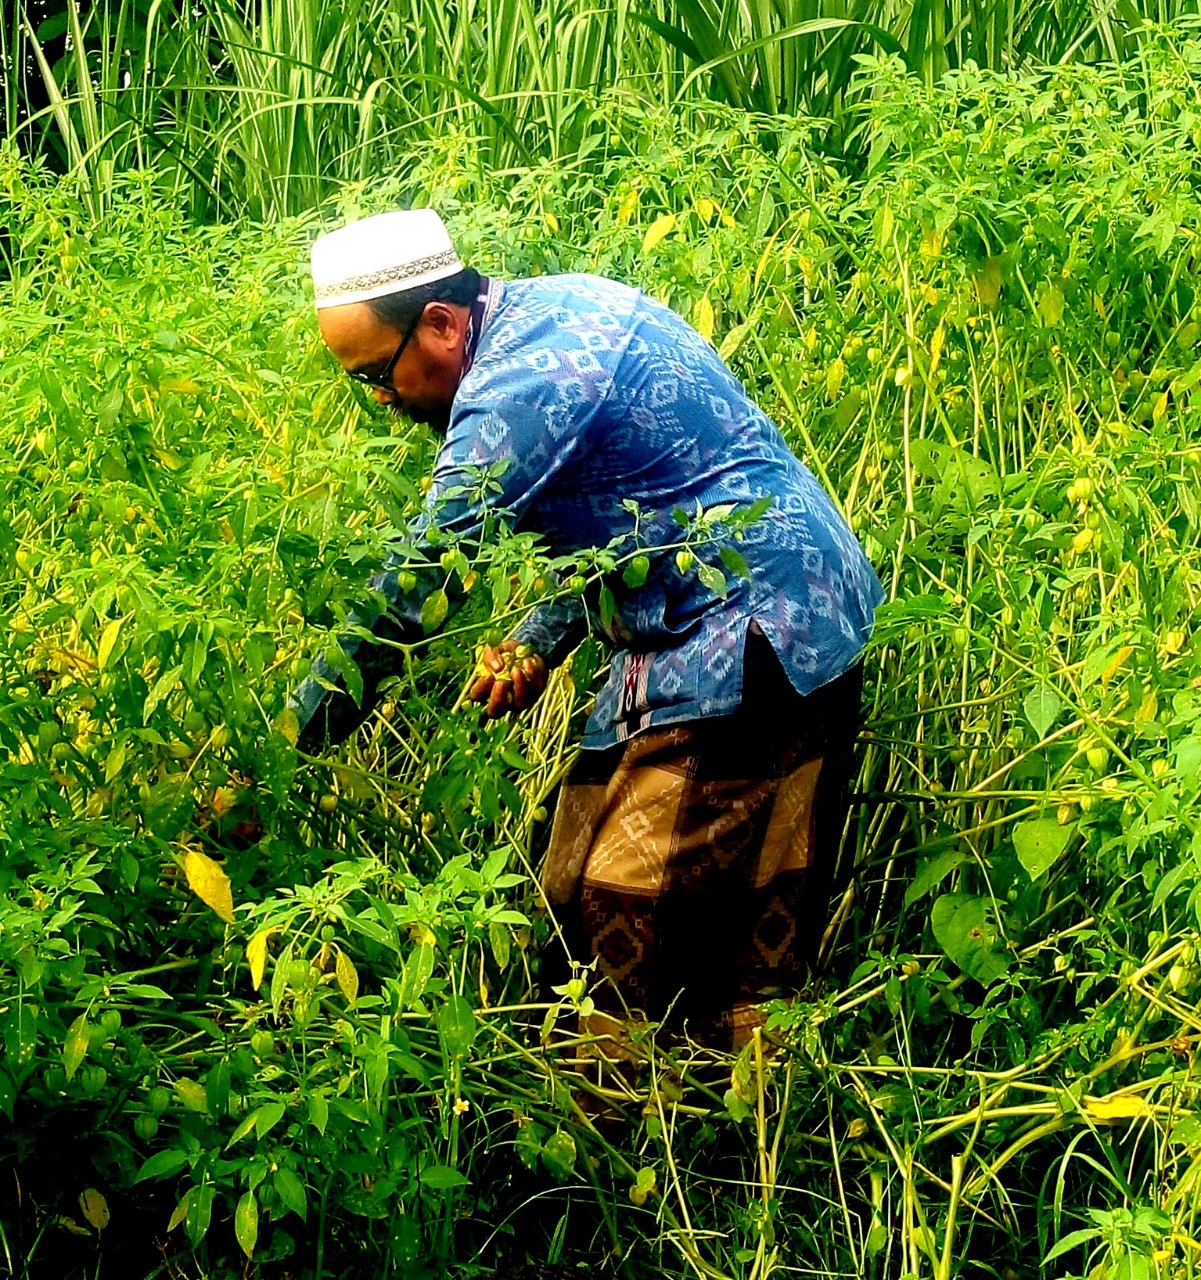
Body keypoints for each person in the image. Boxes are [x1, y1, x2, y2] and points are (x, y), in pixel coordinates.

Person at [293, 208, 884, 1048]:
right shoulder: (560, 305)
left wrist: (290, 742)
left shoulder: (517, 387)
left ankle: (618, 1145)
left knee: (623, 911)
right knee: (591, 885)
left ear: (440, 324)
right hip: (770, 610)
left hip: (754, 623)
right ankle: (731, 1135)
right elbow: (637, 515)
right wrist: (537, 640)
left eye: (376, 375)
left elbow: (423, 579)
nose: (383, 401)